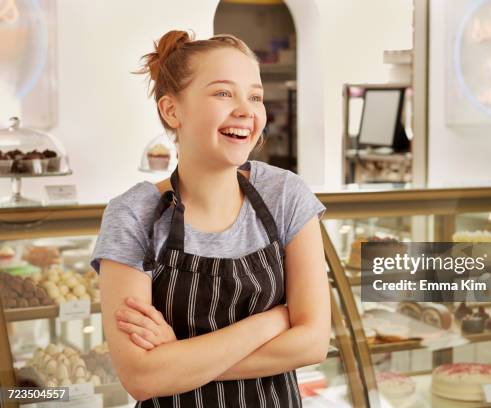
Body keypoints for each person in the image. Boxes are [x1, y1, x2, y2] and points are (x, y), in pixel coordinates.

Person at [90, 30, 330, 407]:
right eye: (223, 93)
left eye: (254, 96)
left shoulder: (285, 195)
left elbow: (314, 342)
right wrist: (272, 321)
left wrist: (178, 362)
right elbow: (141, 376)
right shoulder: (134, 214)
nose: (246, 110)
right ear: (172, 110)